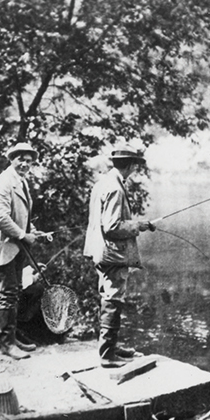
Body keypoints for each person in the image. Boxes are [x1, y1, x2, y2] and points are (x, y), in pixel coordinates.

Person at [83, 143, 156, 368]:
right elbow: (112, 227)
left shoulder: (103, 183)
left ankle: (110, 347)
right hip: (112, 253)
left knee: (108, 296)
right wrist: (138, 225)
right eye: (135, 164)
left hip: (100, 250)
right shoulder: (114, 188)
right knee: (113, 298)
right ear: (132, 165)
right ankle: (107, 354)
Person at [0, 142, 51, 359]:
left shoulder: (21, 182)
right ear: (12, 159)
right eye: (21, 159)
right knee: (7, 294)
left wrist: (34, 232)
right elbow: (1, 218)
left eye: (29, 161)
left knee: (15, 291)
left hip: (17, 247)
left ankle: (13, 338)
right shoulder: (3, 182)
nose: (26, 164)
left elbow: (23, 217)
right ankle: (7, 344)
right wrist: (22, 235)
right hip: (4, 247)